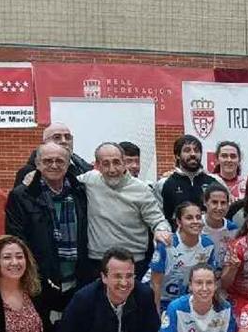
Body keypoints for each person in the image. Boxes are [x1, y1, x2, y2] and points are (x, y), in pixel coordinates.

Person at [5, 142, 95, 318]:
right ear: (37, 164)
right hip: (40, 282)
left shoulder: (80, 192)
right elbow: (18, 241)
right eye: (47, 161)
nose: (54, 165)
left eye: (59, 161)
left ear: (68, 164)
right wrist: (36, 278)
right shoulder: (21, 196)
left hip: (78, 280)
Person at [79, 142, 172, 280]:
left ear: (124, 163)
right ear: (97, 166)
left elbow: (158, 221)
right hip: (97, 262)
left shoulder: (142, 189)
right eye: (106, 164)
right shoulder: (89, 180)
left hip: (134, 263)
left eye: (116, 162)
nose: (112, 169)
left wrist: (161, 230)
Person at [150, 201, 220, 313]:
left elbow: (210, 279)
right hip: (163, 301)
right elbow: (155, 283)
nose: (195, 221)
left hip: (189, 301)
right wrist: (156, 315)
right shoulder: (166, 244)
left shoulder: (208, 245)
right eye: (189, 218)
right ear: (179, 222)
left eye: (198, 217)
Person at [159, 264, 238, 332]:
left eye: (209, 283)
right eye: (199, 283)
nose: (204, 288)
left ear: (215, 285)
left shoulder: (225, 308)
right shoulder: (175, 308)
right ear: (190, 286)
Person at [157, 134, 216, 223]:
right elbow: (158, 218)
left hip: (208, 236)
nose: (193, 154)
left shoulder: (214, 182)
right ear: (177, 155)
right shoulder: (164, 184)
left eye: (196, 150)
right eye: (187, 150)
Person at [14, 122, 92, 187]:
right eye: (57, 137)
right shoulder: (28, 171)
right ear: (45, 143)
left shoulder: (83, 168)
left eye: (67, 137)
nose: (64, 141)